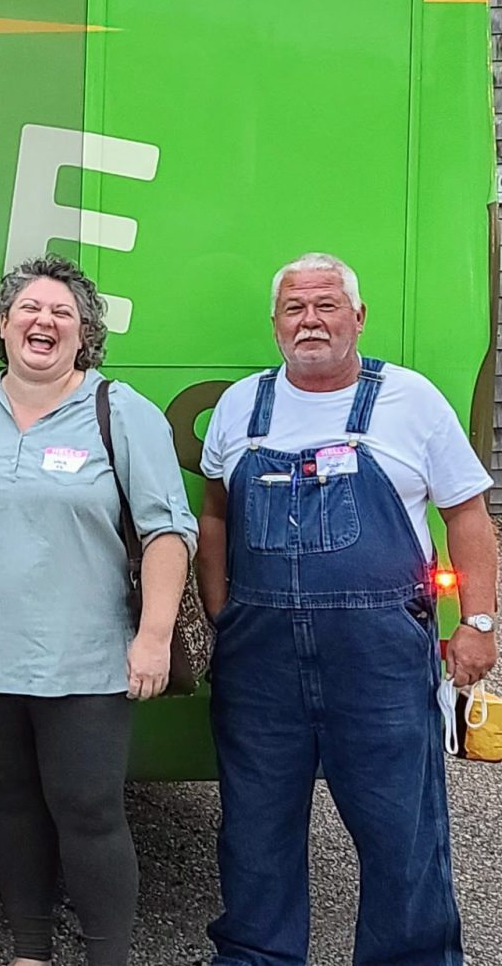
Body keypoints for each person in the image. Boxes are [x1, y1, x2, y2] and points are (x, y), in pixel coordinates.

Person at [197, 252, 497, 966]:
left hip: (380, 660)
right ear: (275, 323)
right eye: (295, 307)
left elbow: (468, 514)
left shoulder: (411, 399)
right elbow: (214, 513)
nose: (311, 319)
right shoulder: (244, 403)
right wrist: (221, 611)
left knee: (402, 832)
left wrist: (478, 623)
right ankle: (254, 956)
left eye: (326, 304)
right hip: (260, 662)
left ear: (357, 316)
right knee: (255, 831)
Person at [0, 255, 195, 966]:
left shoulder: (120, 411)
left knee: (90, 813)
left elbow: (167, 530)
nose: (46, 320)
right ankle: (30, 949)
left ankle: (106, 957)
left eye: (63, 312)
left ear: (84, 334)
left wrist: (154, 635)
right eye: (30, 309)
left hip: (88, 661)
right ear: (2, 326)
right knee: (11, 805)